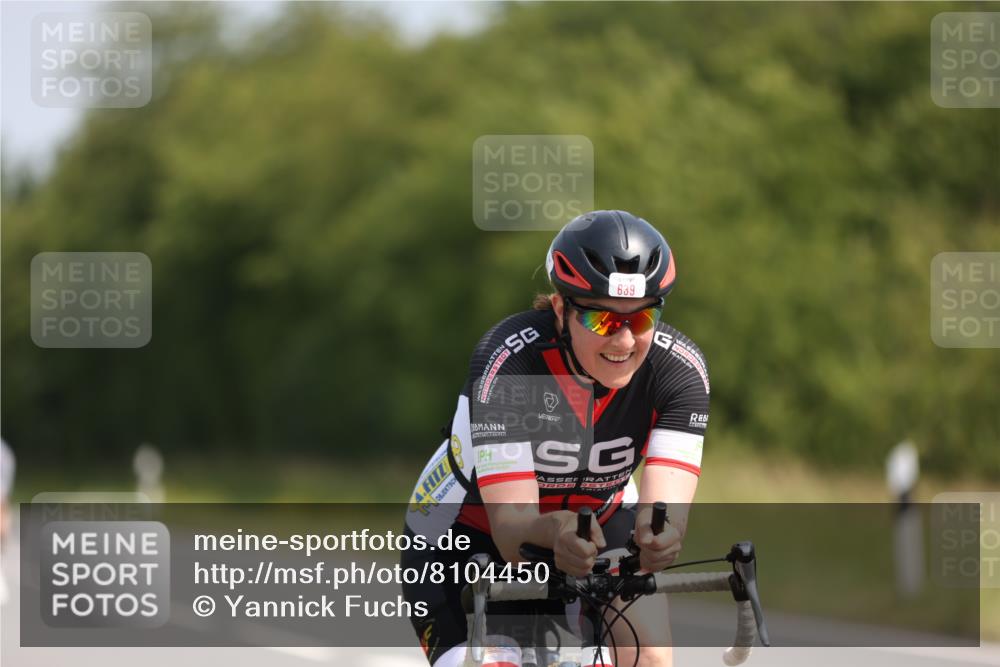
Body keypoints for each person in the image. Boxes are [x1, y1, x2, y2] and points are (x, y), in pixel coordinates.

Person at [402, 211, 710, 667]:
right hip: (468, 534)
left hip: (599, 521)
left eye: (643, 318)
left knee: (650, 658)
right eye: (603, 321)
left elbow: (663, 515)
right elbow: (513, 531)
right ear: (562, 309)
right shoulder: (511, 363)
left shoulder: (678, 371)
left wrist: (660, 539)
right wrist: (557, 529)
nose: (625, 341)